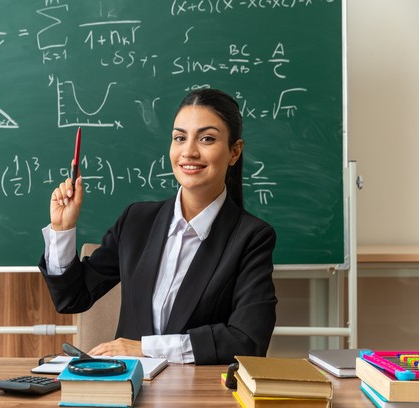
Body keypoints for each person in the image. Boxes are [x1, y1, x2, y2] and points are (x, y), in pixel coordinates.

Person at [39, 88, 277, 365]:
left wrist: (147, 348)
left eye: (207, 139)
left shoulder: (252, 237)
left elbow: (248, 341)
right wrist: (62, 229)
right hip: (128, 389)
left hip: (200, 393)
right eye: (179, 138)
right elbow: (72, 298)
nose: (188, 151)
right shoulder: (137, 221)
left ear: (234, 152)